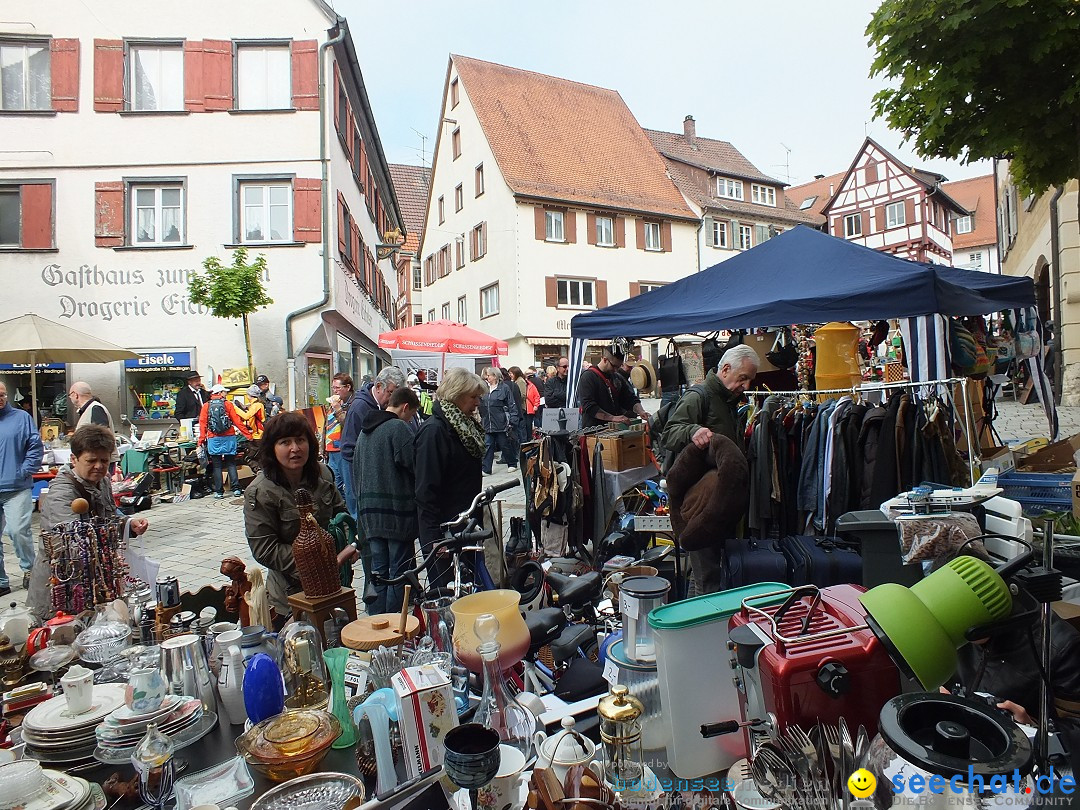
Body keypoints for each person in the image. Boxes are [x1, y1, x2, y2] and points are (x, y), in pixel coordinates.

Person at [661, 344, 759, 594]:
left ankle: (694, 626)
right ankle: (704, 630)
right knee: (708, 578)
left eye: (749, 380)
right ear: (725, 369)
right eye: (743, 378)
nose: (746, 386)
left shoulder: (729, 400)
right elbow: (669, 434)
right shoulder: (699, 396)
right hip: (701, 505)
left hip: (717, 504)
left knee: (705, 575)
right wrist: (694, 431)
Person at [28, 425, 147, 617]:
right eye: (91, 460)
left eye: (104, 461)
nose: (99, 466)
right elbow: (72, 543)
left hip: (96, 582)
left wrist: (127, 525)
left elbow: (107, 519)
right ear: (74, 459)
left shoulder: (103, 481)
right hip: (65, 586)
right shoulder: (62, 493)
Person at [244, 412, 352, 618]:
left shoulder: (323, 475)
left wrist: (348, 544)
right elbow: (264, 549)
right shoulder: (261, 492)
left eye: (300, 440)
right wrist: (314, 561)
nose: (295, 448)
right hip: (290, 595)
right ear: (272, 449)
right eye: (285, 442)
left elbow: (341, 516)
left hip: (334, 585)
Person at [415, 367, 485, 588]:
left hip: (464, 526)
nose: (477, 403)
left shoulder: (463, 426)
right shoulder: (434, 432)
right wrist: (435, 539)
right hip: (445, 532)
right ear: (457, 395)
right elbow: (426, 491)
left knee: (468, 589)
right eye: (473, 397)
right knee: (447, 595)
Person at [354, 386, 420, 614]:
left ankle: (375, 621)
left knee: (378, 570)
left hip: (370, 514)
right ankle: (392, 624)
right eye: (411, 415)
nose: (410, 420)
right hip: (396, 513)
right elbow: (414, 466)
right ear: (405, 407)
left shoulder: (365, 431)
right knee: (397, 572)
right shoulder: (398, 428)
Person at [340, 366, 406, 517]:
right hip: (360, 477)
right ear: (378, 387)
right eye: (390, 393)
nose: (393, 400)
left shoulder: (381, 406)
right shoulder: (359, 407)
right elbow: (348, 448)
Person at [0, 382, 42, 596]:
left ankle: (29, 569)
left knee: (18, 531)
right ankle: (1, 582)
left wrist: (24, 470)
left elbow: (35, 446)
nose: (0, 398)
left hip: (16, 486)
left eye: (2, 394)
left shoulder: (21, 418)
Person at [199, 384, 254, 499]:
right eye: (224, 392)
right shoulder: (228, 404)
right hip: (229, 437)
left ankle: (219, 491)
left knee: (217, 466)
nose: (226, 394)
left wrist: (201, 440)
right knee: (231, 463)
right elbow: (237, 421)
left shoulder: (206, 406)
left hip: (214, 438)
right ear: (219, 393)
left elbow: (203, 424)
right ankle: (236, 489)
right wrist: (248, 435)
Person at [575, 347, 650, 429]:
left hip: (614, 429)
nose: (616, 370)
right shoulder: (588, 377)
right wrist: (613, 418)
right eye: (614, 366)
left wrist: (641, 411)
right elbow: (589, 406)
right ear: (605, 360)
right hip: (594, 429)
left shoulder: (617, 377)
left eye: (618, 367)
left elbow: (630, 398)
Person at [480, 367, 520, 474]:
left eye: (489, 375)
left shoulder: (504, 388)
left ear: (495, 376)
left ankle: (512, 463)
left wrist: (513, 420)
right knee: (488, 445)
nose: (487, 377)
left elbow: (511, 405)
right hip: (488, 423)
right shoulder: (484, 389)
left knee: (504, 445)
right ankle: (486, 469)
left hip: (501, 423)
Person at [324, 373, 354, 500]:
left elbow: (348, 424)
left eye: (337, 388)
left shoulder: (353, 404)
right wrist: (323, 448)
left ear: (347, 387)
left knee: (350, 487)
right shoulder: (332, 405)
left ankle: (354, 516)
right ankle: (342, 510)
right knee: (334, 485)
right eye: (333, 388)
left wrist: (338, 409)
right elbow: (327, 426)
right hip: (331, 451)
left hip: (344, 450)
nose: (335, 391)